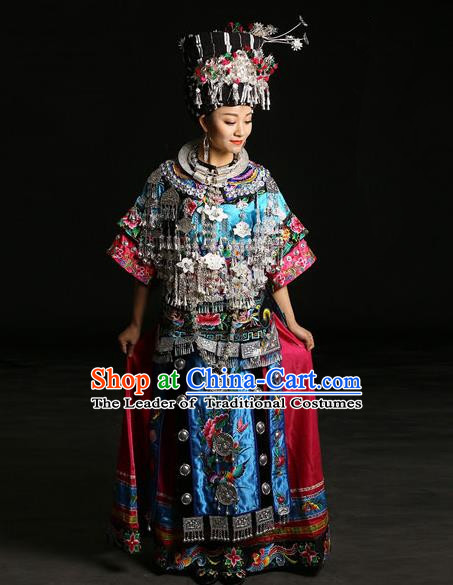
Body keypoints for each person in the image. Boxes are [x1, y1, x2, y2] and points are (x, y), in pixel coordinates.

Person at [105, 17, 331, 585]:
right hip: (185, 334)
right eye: (231, 119)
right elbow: (145, 258)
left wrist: (292, 321)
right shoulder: (167, 182)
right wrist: (135, 324)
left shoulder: (261, 183)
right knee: (191, 440)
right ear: (203, 116)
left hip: (250, 333)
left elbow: (275, 261)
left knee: (254, 438)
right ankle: (190, 548)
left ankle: (256, 546)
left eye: (248, 119)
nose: (241, 130)